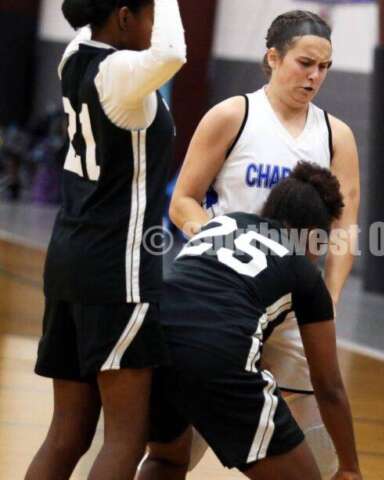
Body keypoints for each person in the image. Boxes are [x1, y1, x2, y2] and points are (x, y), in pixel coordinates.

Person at [168, 9, 360, 475]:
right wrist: (215, 236)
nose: (315, 76)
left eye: (325, 67)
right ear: (273, 58)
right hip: (228, 297)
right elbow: (183, 201)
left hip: (294, 306)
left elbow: (345, 228)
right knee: (180, 448)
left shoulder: (336, 135)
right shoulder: (234, 115)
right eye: (304, 63)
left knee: (305, 448)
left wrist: (328, 299)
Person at [26, 1, 185, 479]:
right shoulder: (118, 73)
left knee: (67, 433)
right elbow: (172, 53)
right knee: (125, 439)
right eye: (149, 16)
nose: (155, 29)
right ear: (123, 17)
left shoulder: (73, 56)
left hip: (69, 260)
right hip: (118, 272)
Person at [137, 162, 361, 480]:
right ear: (314, 235)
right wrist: (351, 467)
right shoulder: (304, 270)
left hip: (151, 337)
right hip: (216, 353)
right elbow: (329, 386)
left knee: (167, 459)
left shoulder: (222, 223)